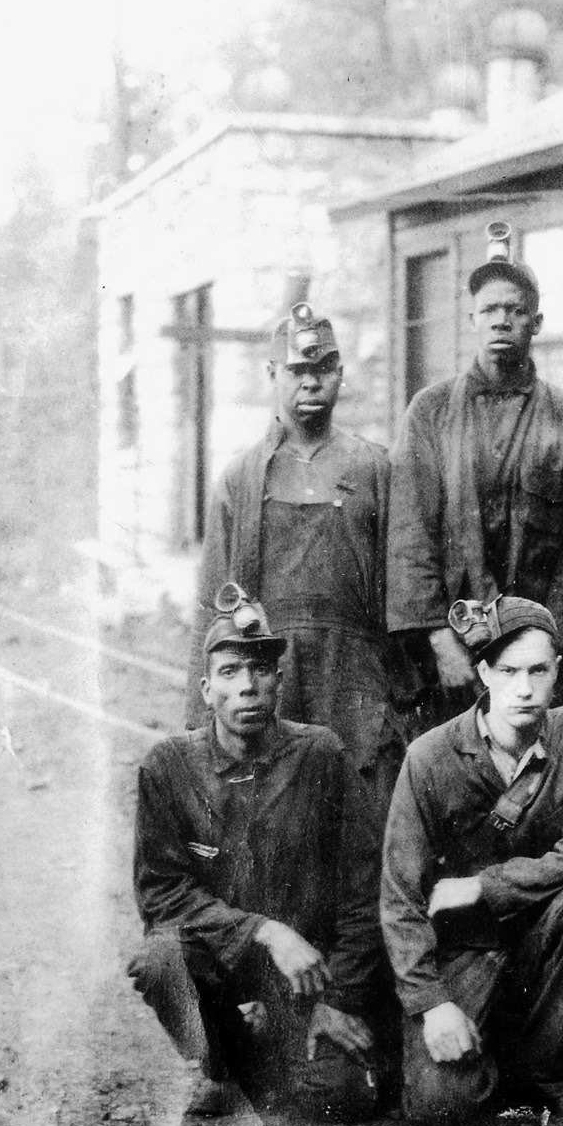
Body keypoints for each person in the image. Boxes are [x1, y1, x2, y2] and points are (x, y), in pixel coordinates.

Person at [380, 595, 563, 1126]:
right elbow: (399, 901)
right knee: (439, 1108)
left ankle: (545, 1058)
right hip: (463, 952)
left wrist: (484, 886)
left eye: (538, 670)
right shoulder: (429, 758)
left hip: (541, 939)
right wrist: (432, 1006)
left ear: (558, 671)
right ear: (484, 672)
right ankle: (509, 1054)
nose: (523, 688)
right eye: (508, 670)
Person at [132, 588, 380, 1119]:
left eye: (261, 670)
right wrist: (264, 931)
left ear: (280, 683)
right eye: (230, 672)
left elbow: (365, 889)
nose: (247, 686)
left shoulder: (321, 754)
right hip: (226, 963)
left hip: (306, 974)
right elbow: (161, 897)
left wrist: (336, 1005)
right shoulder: (169, 768)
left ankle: (278, 1037)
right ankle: (219, 1060)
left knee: (338, 1098)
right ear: (206, 690)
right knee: (159, 959)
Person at [188, 303, 401, 828]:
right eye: (296, 371)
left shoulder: (374, 466)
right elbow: (211, 606)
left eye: (322, 370)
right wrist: (200, 724)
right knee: (271, 822)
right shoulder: (241, 476)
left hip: (354, 676)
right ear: (272, 376)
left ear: (340, 376)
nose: (310, 383)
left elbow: (402, 583)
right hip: (273, 673)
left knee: (360, 820)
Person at [388, 226, 563, 731]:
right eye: (489, 310)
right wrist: (441, 642)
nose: (501, 320)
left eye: (514, 309)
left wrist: (553, 651)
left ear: (536, 322)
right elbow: (410, 535)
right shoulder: (430, 412)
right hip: (453, 654)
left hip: (535, 651)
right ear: (471, 321)